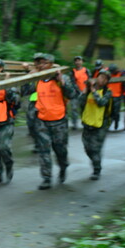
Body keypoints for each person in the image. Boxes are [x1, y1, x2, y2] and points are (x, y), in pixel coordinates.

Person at [32, 54, 77, 190]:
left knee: (59, 149)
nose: (41, 66)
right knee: (44, 150)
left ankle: (63, 166)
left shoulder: (62, 78)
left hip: (59, 120)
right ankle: (46, 178)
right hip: (42, 120)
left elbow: (73, 94)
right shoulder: (36, 79)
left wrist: (62, 83)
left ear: (51, 64)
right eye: (39, 63)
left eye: (44, 63)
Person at [79, 69, 112, 180]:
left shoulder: (108, 91)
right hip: (88, 123)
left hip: (100, 125)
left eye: (104, 78)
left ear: (107, 81)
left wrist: (93, 90)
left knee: (95, 149)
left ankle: (96, 170)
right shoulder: (90, 90)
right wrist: (86, 89)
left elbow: (101, 102)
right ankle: (96, 163)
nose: (101, 79)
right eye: (100, 76)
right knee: (87, 148)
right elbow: (80, 102)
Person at [21, 52, 44, 153]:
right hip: (34, 100)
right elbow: (28, 87)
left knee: (41, 124)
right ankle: (37, 142)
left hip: (45, 101)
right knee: (31, 123)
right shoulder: (33, 72)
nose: (38, 64)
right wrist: (27, 72)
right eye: (36, 61)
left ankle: (40, 144)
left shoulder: (49, 72)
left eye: (40, 61)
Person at [69, 56, 91, 130]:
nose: (78, 62)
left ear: (82, 62)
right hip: (75, 93)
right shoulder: (73, 71)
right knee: (74, 108)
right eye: (76, 61)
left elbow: (90, 80)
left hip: (85, 92)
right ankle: (75, 124)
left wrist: (87, 89)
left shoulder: (86, 70)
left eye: (79, 60)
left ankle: (85, 123)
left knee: (84, 109)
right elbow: (72, 82)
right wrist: (78, 90)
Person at [107, 63, 125, 130]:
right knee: (110, 111)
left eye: (112, 71)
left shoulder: (121, 74)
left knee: (116, 111)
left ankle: (116, 122)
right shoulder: (108, 74)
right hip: (109, 96)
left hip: (117, 96)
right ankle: (109, 124)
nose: (112, 72)